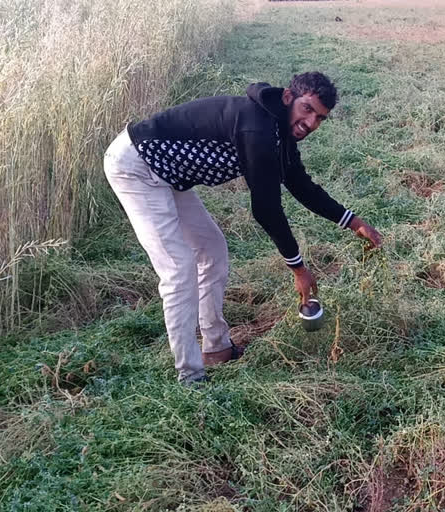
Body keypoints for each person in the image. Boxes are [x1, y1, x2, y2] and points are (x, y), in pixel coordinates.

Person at [103, 72, 382, 385]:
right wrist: (299, 269)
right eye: (307, 109)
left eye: (320, 118)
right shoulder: (257, 128)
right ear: (289, 97)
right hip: (136, 165)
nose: (311, 123)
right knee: (179, 270)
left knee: (212, 250)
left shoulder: (281, 130)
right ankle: (190, 376)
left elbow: (300, 184)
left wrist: (355, 223)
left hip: (168, 175)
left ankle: (216, 348)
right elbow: (266, 209)